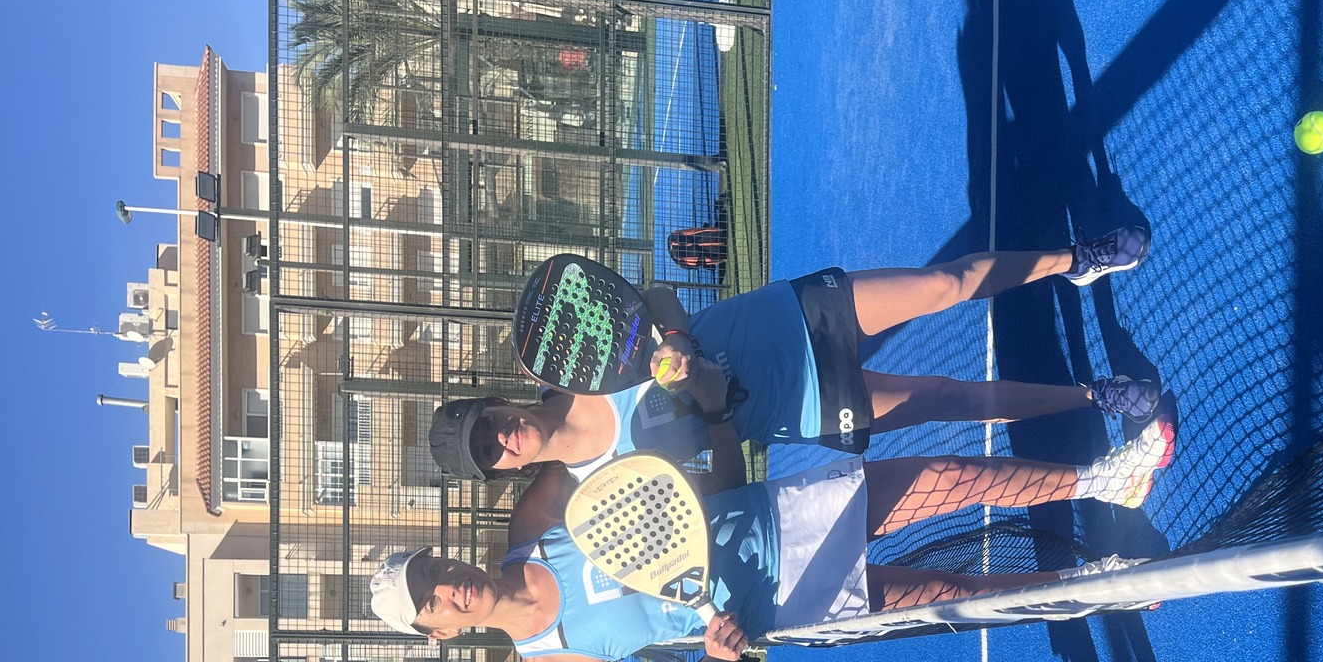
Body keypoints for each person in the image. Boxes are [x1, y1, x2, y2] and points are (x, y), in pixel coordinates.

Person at [368, 409, 1174, 662]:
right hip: (781, 607)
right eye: (431, 601)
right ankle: (1095, 586)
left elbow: (589, 440)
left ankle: (1105, 480)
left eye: (432, 571)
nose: (447, 587)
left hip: (771, 514)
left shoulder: (534, 517)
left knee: (946, 477)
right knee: (947, 588)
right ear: (440, 633)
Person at [425, 230, 1162, 485]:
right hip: (800, 406)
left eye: (488, 424)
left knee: (945, 284)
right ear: (503, 473)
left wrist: (677, 338)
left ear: (497, 402)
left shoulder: (573, 361)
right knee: (953, 398)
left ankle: (1076, 260)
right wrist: (714, 410)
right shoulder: (600, 486)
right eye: (491, 453)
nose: (503, 438)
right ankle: (1097, 396)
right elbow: (722, 487)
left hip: (787, 318)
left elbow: (654, 294)